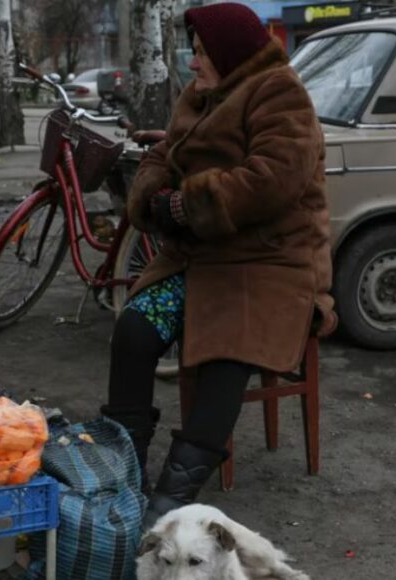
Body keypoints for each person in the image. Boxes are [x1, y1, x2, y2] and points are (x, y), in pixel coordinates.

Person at [100, 2, 336, 527]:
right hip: (200, 256)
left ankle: (170, 500)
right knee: (134, 331)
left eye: (202, 53)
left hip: (269, 261)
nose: (193, 63)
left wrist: (185, 205)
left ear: (229, 52)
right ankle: (125, 478)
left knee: (229, 350)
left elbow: (273, 180)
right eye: (194, 52)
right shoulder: (202, 93)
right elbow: (164, 156)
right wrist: (152, 195)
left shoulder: (281, 93)